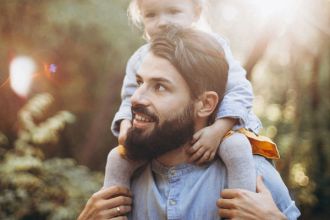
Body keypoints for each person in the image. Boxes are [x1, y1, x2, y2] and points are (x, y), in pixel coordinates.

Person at [80, 27, 300, 219]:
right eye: (140, 82)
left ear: (205, 104)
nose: (136, 98)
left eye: (160, 87)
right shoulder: (125, 182)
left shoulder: (253, 178)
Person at [105, 0, 277, 195]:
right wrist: (126, 125)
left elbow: (239, 90)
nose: (162, 22)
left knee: (236, 146)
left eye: (173, 11)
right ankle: (112, 208)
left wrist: (218, 130)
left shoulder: (211, 48)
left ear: (196, 13)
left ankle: (243, 202)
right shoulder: (139, 58)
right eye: (151, 15)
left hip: (221, 126)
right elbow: (130, 99)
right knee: (117, 158)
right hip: (163, 134)